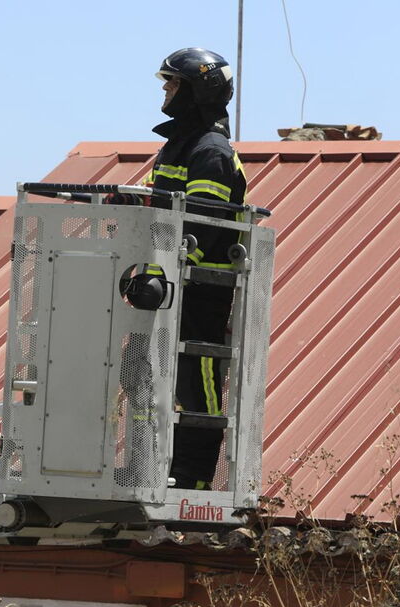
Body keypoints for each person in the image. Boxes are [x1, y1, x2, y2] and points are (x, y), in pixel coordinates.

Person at [108, 48, 247, 490]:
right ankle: (144, 463)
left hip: (199, 289)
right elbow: (163, 211)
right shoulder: (178, 146)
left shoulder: (211, 152)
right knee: (139, 372)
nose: (165, 91)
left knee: (196, 382)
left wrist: (164, 268)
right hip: (164, 285)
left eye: (173, 83)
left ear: (196, 91)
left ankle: (192, 477)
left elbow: (200, 226)